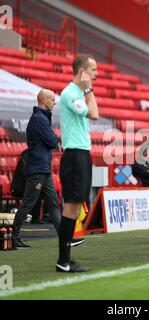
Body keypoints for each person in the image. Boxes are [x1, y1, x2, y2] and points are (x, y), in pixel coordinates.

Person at [57, 54, 99, 273]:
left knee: (74, 206)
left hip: (81, 153)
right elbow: (94, 113)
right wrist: (89, 89)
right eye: (92, 70)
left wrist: (87, 90)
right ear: (83, 71)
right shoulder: (70, 93)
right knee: (71, 206)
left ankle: (65, 259)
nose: (95, 74)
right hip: (74, 154)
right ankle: (63, 261)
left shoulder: (78, 93)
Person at [12, 90, 61, 248]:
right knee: (28, 203)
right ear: (44, 100)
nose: (55, 102)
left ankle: (65, 237)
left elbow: (52, 140)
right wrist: (55, 138)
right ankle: (14, 237)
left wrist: (53, 138)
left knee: (53, 203)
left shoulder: (41, 118)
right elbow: (53, 141)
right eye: (52, 100)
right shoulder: (39, 119)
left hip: (43, 169)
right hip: (38, 170)